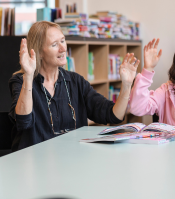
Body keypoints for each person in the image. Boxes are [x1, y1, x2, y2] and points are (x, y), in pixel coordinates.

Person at [9, 21, 140, 151]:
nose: (63, 48)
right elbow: (23, 121)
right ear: (39, 52)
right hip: (33, 162)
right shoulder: (21, 80)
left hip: (71, 160)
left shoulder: (76, 81)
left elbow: (114, 115)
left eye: (63, 41)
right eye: (55, 44)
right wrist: (29, 75)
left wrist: (127, 85)